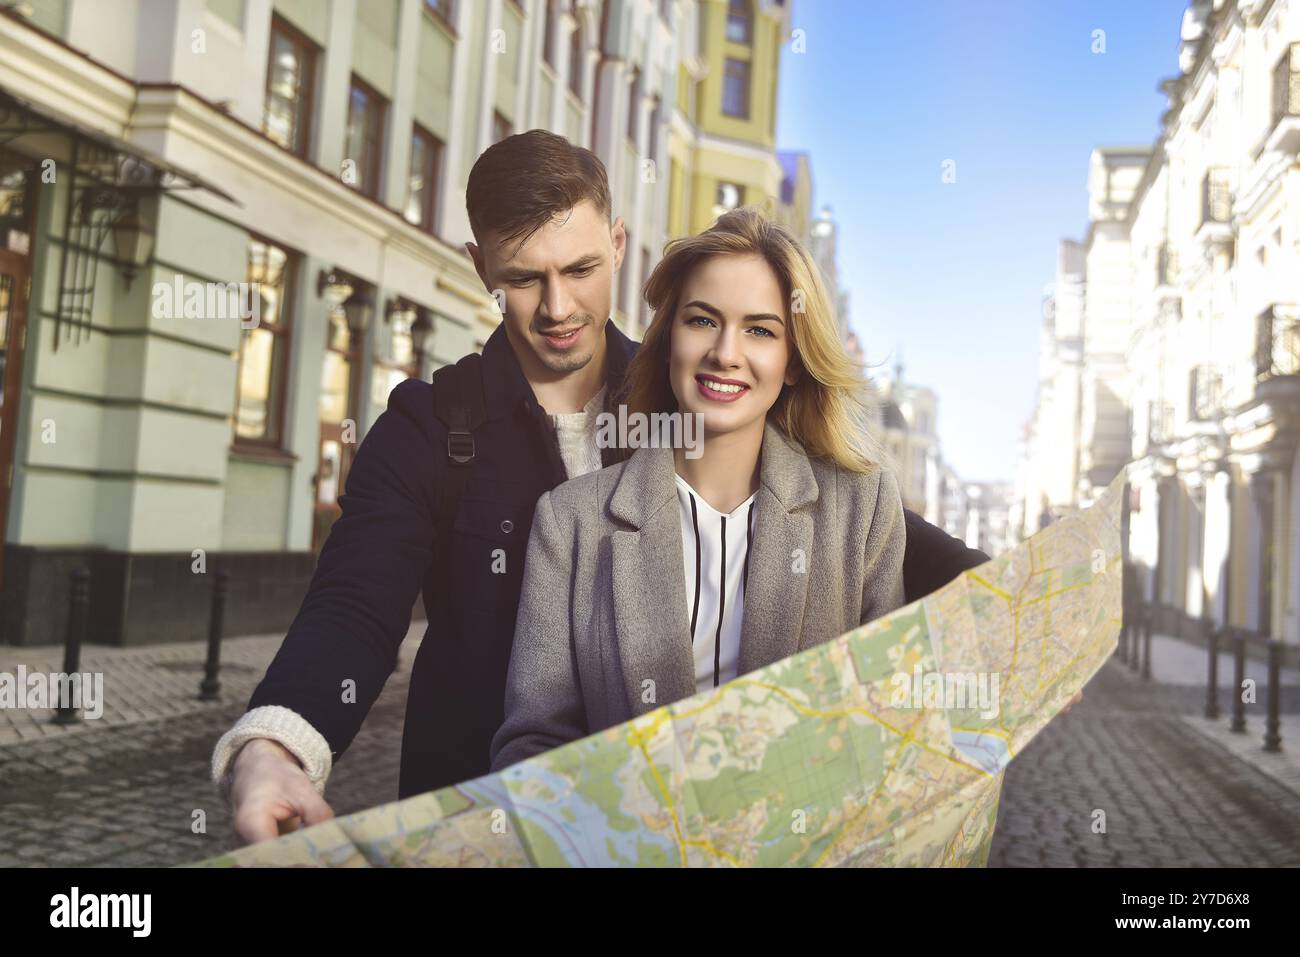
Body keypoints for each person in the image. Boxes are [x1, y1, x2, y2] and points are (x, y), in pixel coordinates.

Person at [211, 130, 990, 846]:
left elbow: (848, 515)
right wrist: (275, 746)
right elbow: (353, 604)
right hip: (495, 824)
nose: (557, 308)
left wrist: (1020, 595)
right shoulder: (431, 429)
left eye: (580, 270)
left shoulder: (693, 394)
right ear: (481, 266)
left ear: (617, 246)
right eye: (523, 278)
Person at [490, 208, 906, 768]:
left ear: (792, 363)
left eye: (760, 330)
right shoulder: (571, 523)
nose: (725, 353)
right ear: (667, 343)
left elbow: (888, 723)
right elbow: (533, 744)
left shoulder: (864, 507)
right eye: (703, 321)